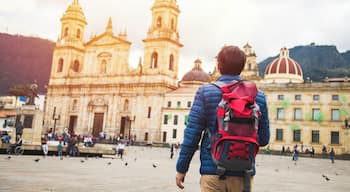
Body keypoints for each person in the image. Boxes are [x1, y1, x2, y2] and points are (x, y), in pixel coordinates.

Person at [176, 45, 270, 191]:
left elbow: (192, 135)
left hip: (213, 172)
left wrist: (182, 168)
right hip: (244, 174)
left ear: (218, 65)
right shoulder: (258, 96)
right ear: (242, 66)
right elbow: (264, 139)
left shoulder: (204, 92)